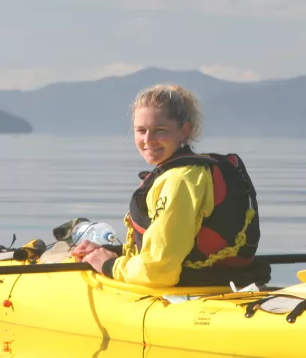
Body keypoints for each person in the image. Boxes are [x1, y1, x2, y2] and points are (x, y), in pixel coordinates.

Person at [70, 83, 269, 288]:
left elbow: (159, 270)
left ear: (184, 130)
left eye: (160, 130)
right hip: (220, 282)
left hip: (191, 291)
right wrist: (111, 253)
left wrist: (109, 265)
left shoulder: (179, 180)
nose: (148, 140)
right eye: (141, 131)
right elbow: (169, 248)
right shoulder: (191, 172)